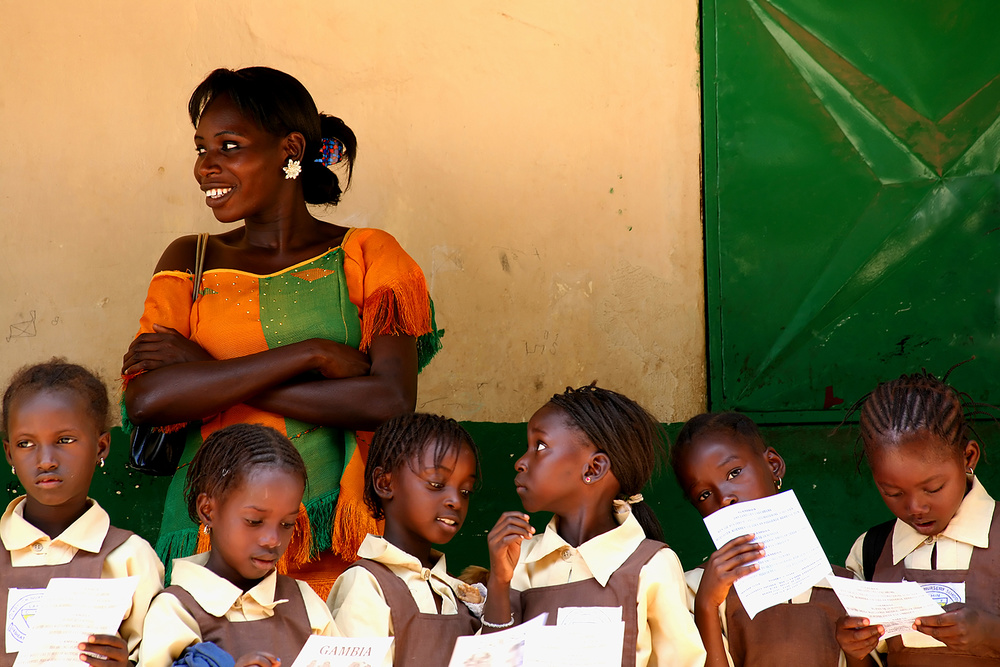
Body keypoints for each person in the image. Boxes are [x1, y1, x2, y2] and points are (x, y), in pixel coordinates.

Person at [120, 66, 441, 595]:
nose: (206, 167)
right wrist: (309, 354)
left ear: (289, 149)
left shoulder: (366, 254)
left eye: (228, 146)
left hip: (336, 541)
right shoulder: (190, 259)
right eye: (201, 149)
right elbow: (148, 398)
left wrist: (209, 374)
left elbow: (388, 399)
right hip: (211, 542)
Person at [483, 385, 706, 667]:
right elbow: (494, 660)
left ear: (593, 468)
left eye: (540, 446)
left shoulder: (651, 565)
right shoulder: (519, 558)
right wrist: (499, 583)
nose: (520, 462)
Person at [0, 360, 163, 666]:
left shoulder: (130, 558)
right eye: (26, 444)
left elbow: (157, 657)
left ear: (101, 447)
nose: (46, 460)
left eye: (64, 440)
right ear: (9, 453)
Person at [137, 423, 338, 667]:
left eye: (287, 524)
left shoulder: (303, 602)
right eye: (254, 521)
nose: (273, 539)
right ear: (208, 510)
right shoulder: (177, 610)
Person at [837, 371, 1000, 665]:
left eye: (933, 488)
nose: (915, 507)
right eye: (893, 492)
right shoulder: (871, 551)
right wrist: (853, 649)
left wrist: (991, 635)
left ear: (968, 458)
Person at [672, 411, 850, 667]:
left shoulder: (844, 585)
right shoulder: (692, 589)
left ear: (773, 465)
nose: (724, 498)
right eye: (704, 494)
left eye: (734, 473)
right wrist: (707, 606)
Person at [328, 413, 482, 667]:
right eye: (436, 484)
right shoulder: (367, 585)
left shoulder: (455, 590)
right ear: (385, 483)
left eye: (465, 491)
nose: (455, 500)